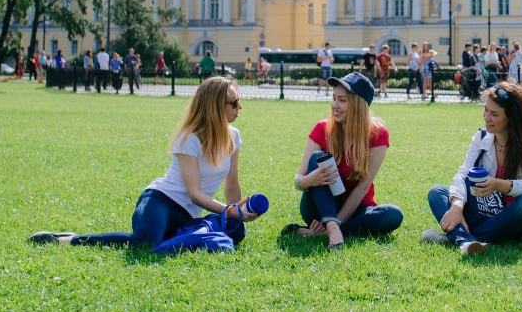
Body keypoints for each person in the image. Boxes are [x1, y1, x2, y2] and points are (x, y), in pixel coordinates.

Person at [28, 77, 261, 249]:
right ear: (215, 106)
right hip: (161, 201)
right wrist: (229, 211)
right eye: (234, 102)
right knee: (145, 242)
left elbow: (232, 183)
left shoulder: (234, 136)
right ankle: (67, 240)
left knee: (236, 230)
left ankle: (180, 236)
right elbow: (194, 194)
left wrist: (237, 214)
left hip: (189, 216)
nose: (239, 107)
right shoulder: (189, 138)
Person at [422, 81, 522, 255]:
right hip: (489, 213)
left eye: (494, 114)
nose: (486, 117)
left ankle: (460, 238)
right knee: (437, 192)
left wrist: (501, 185)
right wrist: (457, 205)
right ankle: (469, 242)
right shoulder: (481, 137)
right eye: (486, 110)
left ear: (511, 119)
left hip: (521, 219)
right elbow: (463, 173)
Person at [284, 72, 403, 249]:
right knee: (318, 158)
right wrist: (310, 180)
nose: (334, 105)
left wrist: (338, 221)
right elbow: (298, 180)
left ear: (358, 105)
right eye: (333, 98)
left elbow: (363, 187)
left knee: (393, 215)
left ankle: (323, 231)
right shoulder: (322, 128)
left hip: (356, 208)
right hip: (319, 207)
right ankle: (332, 228)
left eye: (342, 100)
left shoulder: (378, 134)